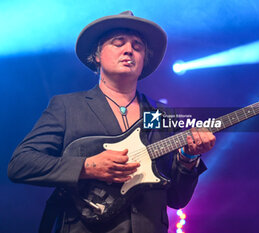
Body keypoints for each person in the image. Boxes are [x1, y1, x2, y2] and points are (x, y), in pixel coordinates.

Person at [7, 11, 216, 233]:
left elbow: (177, 199)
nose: (129, 50)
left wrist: (189, 158)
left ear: (144, 60)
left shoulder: (162, 115)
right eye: (118, 43)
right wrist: (87, 167)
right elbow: (21, 165)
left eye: (137, 46)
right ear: (97, 55)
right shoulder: (67, 107)